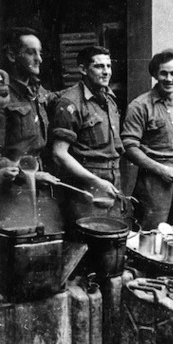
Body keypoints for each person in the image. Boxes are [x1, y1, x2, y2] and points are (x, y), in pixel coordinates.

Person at [121, 50, 173, 231]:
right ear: (155, 74)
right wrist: (160, 170)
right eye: (163, 73)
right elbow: (129, 147)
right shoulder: (140, 106)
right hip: (153, 180)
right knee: (150, 234)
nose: (168, 79)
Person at [52, 45, 125, 224]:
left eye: (108, 66)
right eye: (99, 66)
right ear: (83, 69)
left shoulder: (109, 99)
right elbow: (59, 154)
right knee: (88, 239)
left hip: (113, 180)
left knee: (113, 238)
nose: (106, 72)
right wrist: (96, 181)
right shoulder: (70, 103)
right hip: (85, 184)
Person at [0, 29, 61, 231]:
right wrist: (27, 175)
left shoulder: (35, 90)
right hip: (11, 191)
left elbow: (57, 98)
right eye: (31, 53)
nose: (39, 59)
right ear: (11, 55)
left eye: (40, 53)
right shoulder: (4, 96)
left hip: (39, 185)